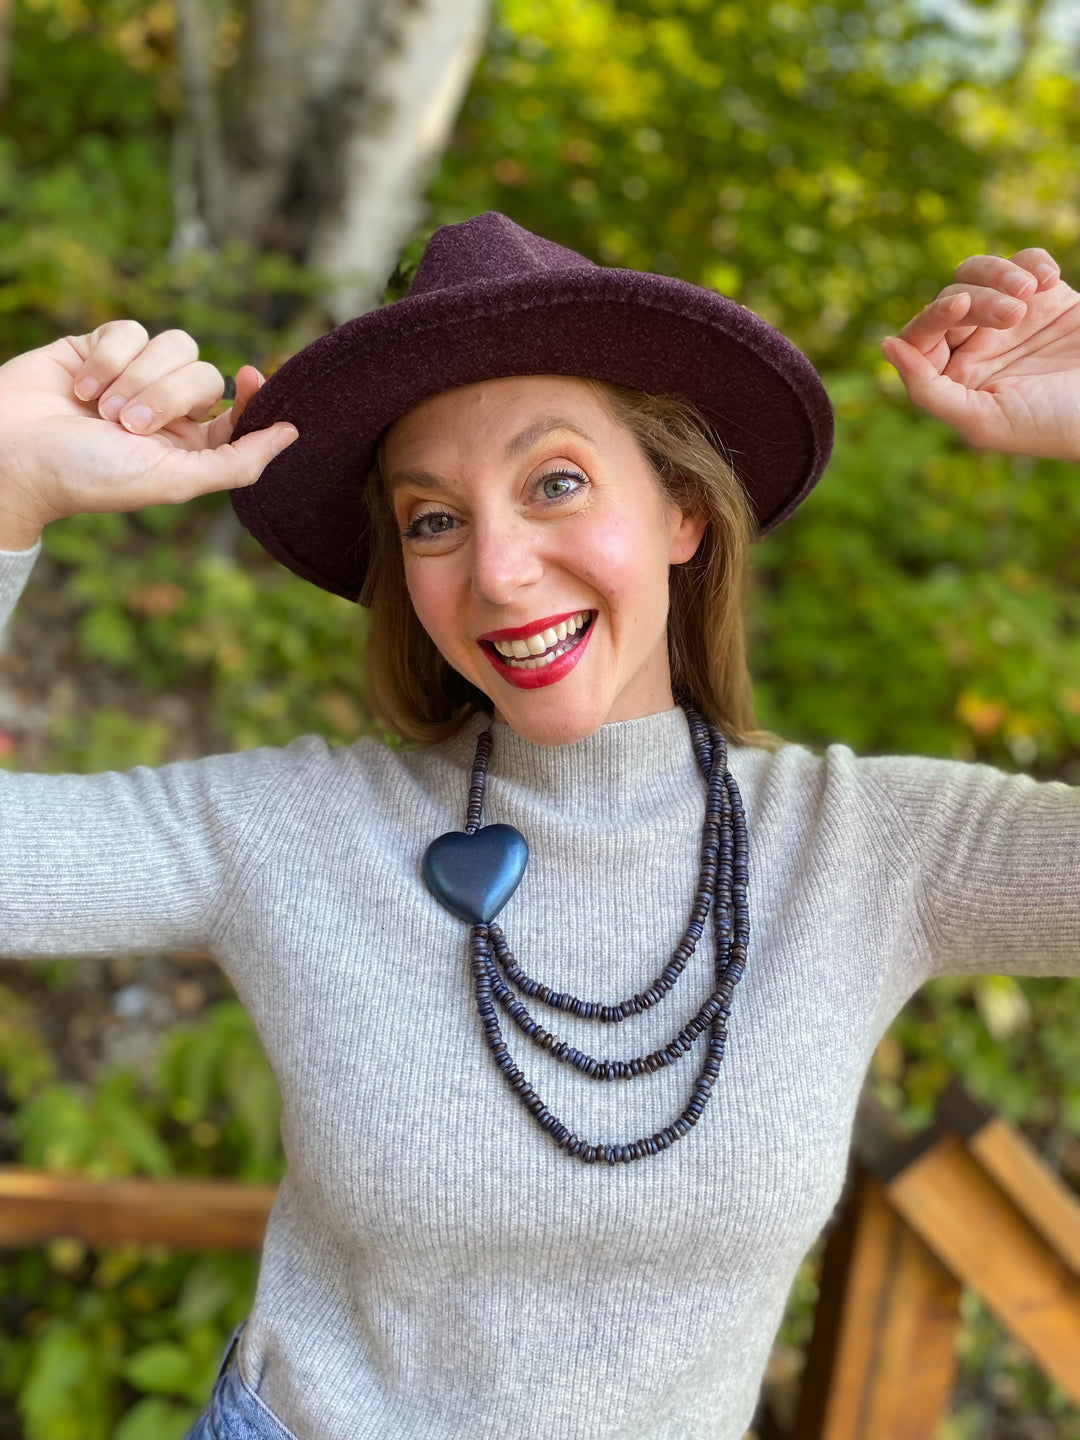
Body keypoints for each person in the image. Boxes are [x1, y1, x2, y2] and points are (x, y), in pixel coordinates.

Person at [1, 212, 1078, 1440]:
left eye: (555, 482)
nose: (500, 571)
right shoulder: (292, 826)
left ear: (684, 513)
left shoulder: (875, 847)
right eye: (433, 519)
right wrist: (7, 486)